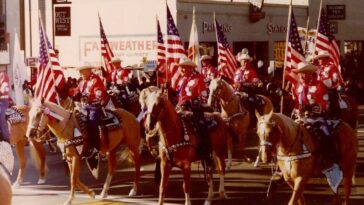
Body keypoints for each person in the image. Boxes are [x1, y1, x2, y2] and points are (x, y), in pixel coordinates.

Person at [293, 62, 342, 187]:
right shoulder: (297, 86)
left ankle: (332, 160)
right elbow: (296, 104)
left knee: (326, 134)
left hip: (316, 118)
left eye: (305, 73)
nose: (302, 75)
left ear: (310, 74)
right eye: (300, 73)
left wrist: (313, 107)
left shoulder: (319, 85)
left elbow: (325, 104)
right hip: (301, 118)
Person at [176, 57, 213, 167]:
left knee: (201, 127)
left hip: (194, 109)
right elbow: (179, 96)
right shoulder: (181, 80)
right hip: (180, 108)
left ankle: (206, 155)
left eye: (184, 68)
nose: (182, 70)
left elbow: (203, 97)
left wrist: (191, 101)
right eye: (181, 68)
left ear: (191, 68)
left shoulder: (198, 79)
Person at [75, 62, 107, 157]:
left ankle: (96, 148)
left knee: (92, 122)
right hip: (83, 106)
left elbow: (99, 93)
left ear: (88, 70)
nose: (81, 73)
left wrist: (92, 96)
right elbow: (77, 90)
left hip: (93, 106)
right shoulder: (82, 82)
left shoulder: (95, 79)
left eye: (83, 71)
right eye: (80, 71)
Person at [314, 50, 345, 118]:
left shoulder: (332, 67)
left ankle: (336, 117)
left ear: (325, 58)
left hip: (329, 89)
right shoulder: (319, 68)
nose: (318, 60)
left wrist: (324, 81)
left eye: (320, 58)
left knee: (332, 101)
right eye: (318, 58)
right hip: (319, 90)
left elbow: (335, 79)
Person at [0, 68, 9, 143]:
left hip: (2, 102)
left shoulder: (3, 75)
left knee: (1, 117)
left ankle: (6, 138)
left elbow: (3, 89)